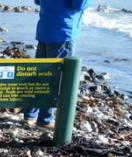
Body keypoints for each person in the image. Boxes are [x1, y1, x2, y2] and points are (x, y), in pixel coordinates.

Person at [24, 0, 93, 128]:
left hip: (45, 29)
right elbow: (79, 4)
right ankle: (45, 119)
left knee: (39, 76)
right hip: (63, 32)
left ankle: (30, 115)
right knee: (56, 79)